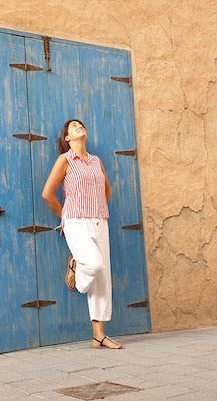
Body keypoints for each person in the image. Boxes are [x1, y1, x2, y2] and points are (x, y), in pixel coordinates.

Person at [41, 119, 123, 349]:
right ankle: (76, 269)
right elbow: (48, 194)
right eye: (73, 126)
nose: (79, 126)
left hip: (99, 220)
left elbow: (107, 191)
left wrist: (96, 207)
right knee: (95, 265)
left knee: (102, 279)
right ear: (67, 138)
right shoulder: (65, 160)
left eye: (81, 124)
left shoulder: (97, 161)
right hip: (75, 222)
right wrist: (65, 217)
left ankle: (99, 336)